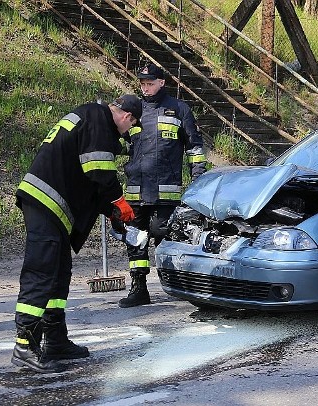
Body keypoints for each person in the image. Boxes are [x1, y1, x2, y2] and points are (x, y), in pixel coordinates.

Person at [13, 95, 141, 373]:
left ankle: (55, 341)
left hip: (49, 203)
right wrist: (118, 200)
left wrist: (113, 214)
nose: (126, 134)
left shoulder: (91, 119)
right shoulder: (98, 118)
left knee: (59, 273)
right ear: (127, 117)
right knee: (42, 271)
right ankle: (25, 344)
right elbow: (99, 171)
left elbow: (89, 181)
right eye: (130, 128)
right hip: (45, 201)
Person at [118, 63, 207, 308]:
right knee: (135, 238)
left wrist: (198, 176)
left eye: (150, 83)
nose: (145, 88)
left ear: (162, 83)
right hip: (136, 189)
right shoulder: (133, 110)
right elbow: (121, 143)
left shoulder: (179, 109)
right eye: (142, 84)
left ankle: (174, 283)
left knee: (161, 233)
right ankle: (139, 288)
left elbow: (194, 147)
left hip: (166, 189)